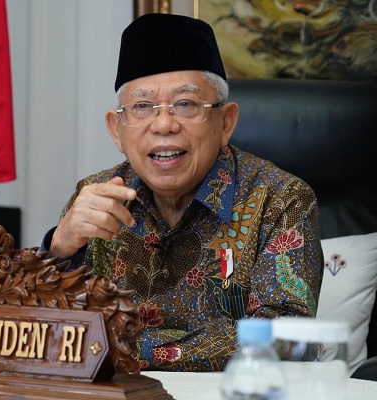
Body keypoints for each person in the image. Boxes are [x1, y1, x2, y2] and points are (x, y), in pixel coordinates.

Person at [39, 13, 323, 372]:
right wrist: (59, 249)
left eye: (186, 104)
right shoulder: (97, 197)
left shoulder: (281, 200)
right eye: (143, 107)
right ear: (116, 129)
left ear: (226, 122)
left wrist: (121, 348)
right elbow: (41, 336)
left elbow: (287, 340)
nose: (163, 124)